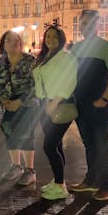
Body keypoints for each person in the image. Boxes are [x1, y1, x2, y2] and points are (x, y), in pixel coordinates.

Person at [69, 9, 108, 201]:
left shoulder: (107, 47)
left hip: (99, 106)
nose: (86, 27)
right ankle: (91, 180)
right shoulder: (76, 48)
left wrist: (104, 99)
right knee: (89, 145)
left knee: (101, 146)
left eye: (90, 23)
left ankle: (107, 184)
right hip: (81, 105)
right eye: (83, 23)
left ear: (98, 25)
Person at [0, 31, 38, 186]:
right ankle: (16, 166)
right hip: (7, 106)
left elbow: (36, 85)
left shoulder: (30, 61)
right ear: (3, 44)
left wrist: (19, 102)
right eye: (8, 41)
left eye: (16, 41)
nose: (12, 44)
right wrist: (2, 101)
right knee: (9, 132)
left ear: (21, 43)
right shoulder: (0, 62)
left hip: (27, 105)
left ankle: (30, 171)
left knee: (26, 135)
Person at [32, 26, 77, 200]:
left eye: (54, 36)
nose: (50, 39)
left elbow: (70, 82)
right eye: (48, 36)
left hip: (59, 104)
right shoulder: (44, 57)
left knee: (49, 146)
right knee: (56, 146)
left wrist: (54, 102)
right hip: (43, 104)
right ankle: (59, 181)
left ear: (61, 39)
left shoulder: (66, 57)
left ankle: (60, 187)